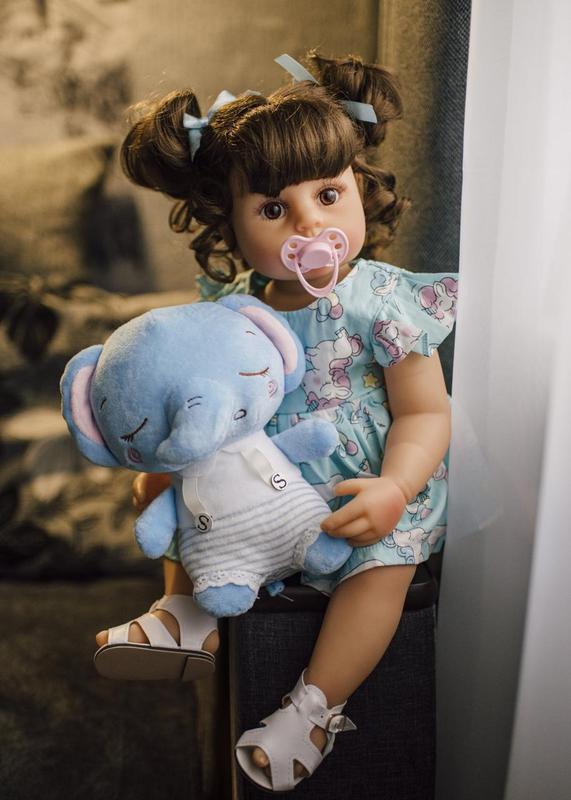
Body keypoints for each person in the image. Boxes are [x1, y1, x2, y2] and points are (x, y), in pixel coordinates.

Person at [95, 51, 458, 792]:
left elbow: (425, 410)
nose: (309, 223)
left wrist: (395, 486)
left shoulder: (382, 301)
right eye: (272, 209)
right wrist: (166, 468)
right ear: (229, 224)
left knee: (384, 569)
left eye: (328, 194)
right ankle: (182, 616)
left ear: (360, 187)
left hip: (359, 489)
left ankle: (314, 707)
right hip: (257, 481)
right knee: (190, 491)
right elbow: (200, 406)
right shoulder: (229, 306)